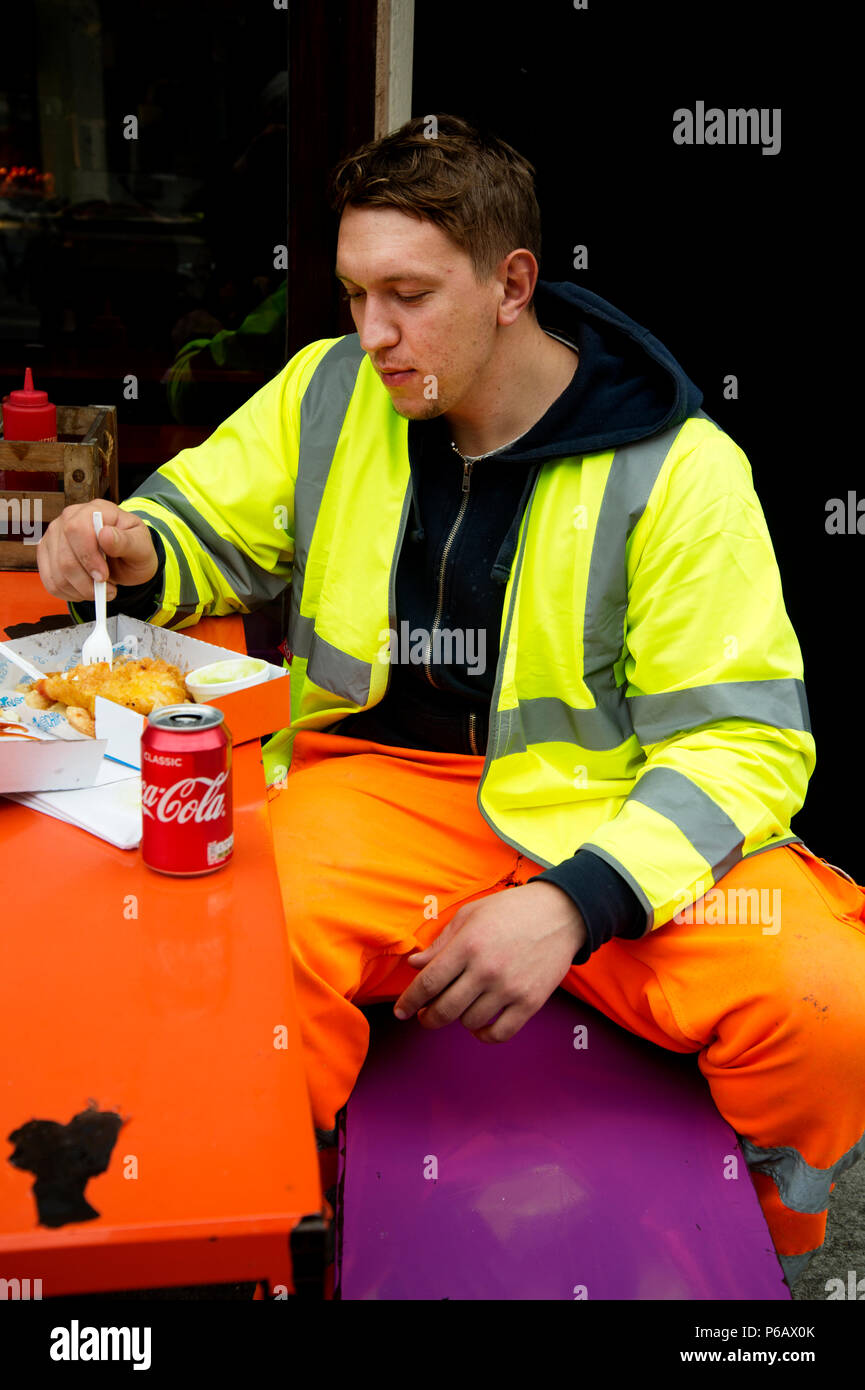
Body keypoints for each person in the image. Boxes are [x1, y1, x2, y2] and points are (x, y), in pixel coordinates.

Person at [36, 113, 865, 1291]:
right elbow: (202, 526)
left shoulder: (682, 471)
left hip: (610, 816)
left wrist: (577, 903)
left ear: (512, 284)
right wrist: (128, 544)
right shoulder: (328, 391)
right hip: (373, 796)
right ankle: (268, 1239)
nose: (373, 333)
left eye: (408, 295)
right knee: (226, 973)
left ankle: (770, 1243)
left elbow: (744, 741)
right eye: (354, 293)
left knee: (831, 1005)